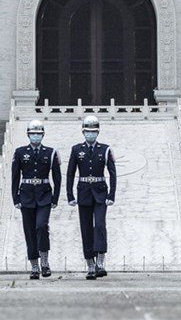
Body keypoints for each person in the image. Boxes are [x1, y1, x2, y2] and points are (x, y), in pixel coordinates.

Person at [66, 115, 117, 280]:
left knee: (100, 225)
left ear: (98, 132)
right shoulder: (76, 149)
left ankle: (101, 261)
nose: (90, 134)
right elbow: (70, 173)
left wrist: (112, 195)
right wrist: (70, 195)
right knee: (86, 228)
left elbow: (112, 173)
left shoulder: (105, 149)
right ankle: (90, 264)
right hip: (84, 193)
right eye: (88, 131)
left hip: (101, 192)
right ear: (83, 131)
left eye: (93, 131)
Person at [11, 119, 62, 279]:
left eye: (38, 134)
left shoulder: (50, 152)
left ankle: (45, 263)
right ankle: (34, 266)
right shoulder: (20, 152)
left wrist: (55, 198)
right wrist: (15, 198)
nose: (35, 137)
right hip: (26, 196)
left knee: (41, 226)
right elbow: (14, 177)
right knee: (29, 231)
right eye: (33, 134)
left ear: (43, 135)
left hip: (44, 195)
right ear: (27, 135)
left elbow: (57, 177)